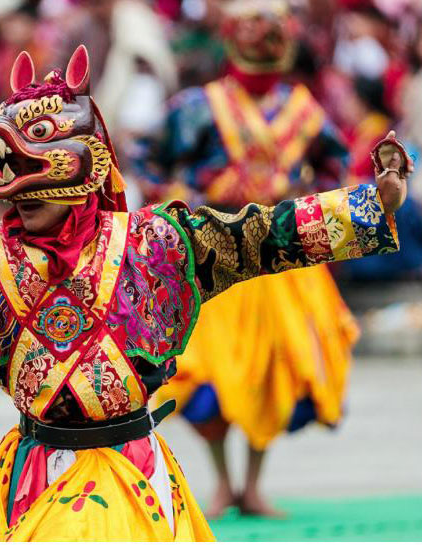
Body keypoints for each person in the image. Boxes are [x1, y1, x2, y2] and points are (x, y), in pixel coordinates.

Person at [0, 46, 407, 540]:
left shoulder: (159, 244)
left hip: (131, 470)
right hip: (34, 470)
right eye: (14, 189)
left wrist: (369, 206)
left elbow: (260, 236)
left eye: (35, 181)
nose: (21, 199)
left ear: (88, 166)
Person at [141, 0, 370, 518]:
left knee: (274, 369)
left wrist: (306, 194)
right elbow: (148, 158)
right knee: (205, 372)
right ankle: (223, 481)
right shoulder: (198, 105)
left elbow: (336, 164)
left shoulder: (303, 109)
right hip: (214, 251)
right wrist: (178, 197)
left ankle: (252, 482)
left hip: (280, 256)